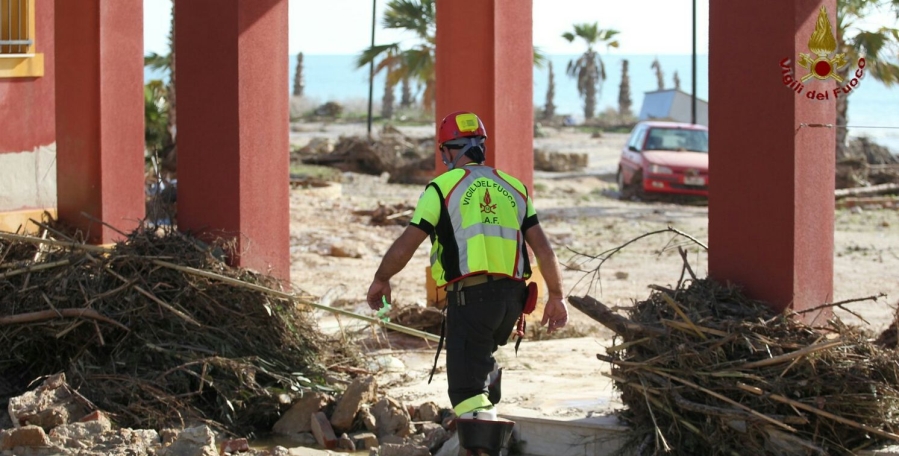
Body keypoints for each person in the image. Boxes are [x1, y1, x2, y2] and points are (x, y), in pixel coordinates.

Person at [366, 111, 568, 421]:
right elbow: (542, 247)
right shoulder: (514, 187)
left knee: (465, 397)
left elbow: (409, 240)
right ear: (480, 147)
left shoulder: (441, 188)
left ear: (448, 151)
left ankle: (483, 432)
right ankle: (488, 377)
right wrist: (557, 295)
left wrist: (382, 278)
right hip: (512, 302)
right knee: (479, 355)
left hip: (472, 300)